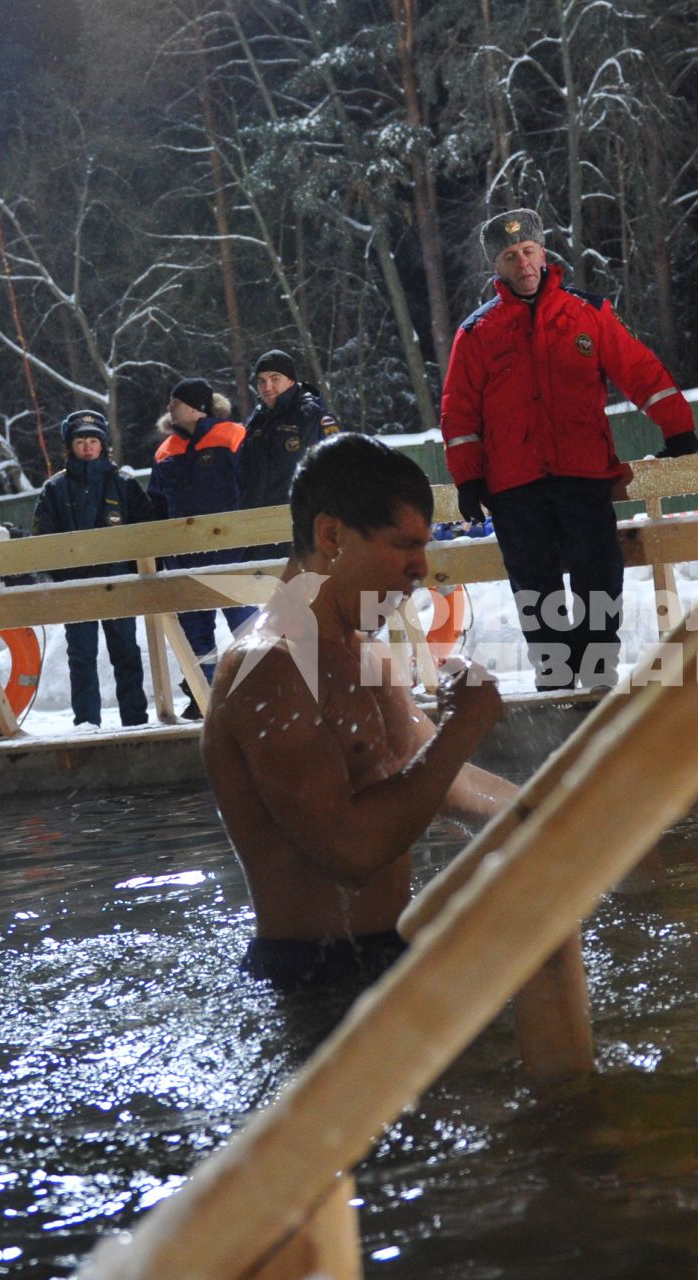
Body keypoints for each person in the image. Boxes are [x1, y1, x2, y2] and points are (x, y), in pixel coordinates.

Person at [203, 434, 515, 991]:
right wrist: (462, 729)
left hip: (384, 952)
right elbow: (352, 851)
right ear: (331, 536)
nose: (422, 567)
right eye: (404, 544)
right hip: (316, 974)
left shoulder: (359, 650)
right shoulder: (268, 667)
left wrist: (553, 814)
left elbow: (444, 783)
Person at [441, 208, 698, 690]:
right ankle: (556, 679)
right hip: (514, 486)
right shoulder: (476, 333)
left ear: (543, 251)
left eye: (529, 251)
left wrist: (677, 427)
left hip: (583, 474)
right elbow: (458, 414)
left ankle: (598, 671)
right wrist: (468, 477)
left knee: (598, 573)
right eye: (510, 256)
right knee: (534, 583)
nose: (523, 263)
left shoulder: (588, 312)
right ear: (496, 267)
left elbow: (639, 371)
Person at [32, 409, 154, 729]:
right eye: (80, 441)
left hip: (120, 581)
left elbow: (147, 530)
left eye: (93, 441)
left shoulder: (124, 484)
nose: (87, 447)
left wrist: (139, 574)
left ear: (103, 445)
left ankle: (136, 720)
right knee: (81, 657)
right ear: (69, 446)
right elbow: (42, 539)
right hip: (76, 586)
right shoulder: (54, 489)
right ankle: (86, 722)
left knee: (126, 652)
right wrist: (55, 578)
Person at [148, 377, 257, 717]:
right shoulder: (166, 450)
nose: (170, 408)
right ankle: (204, 694)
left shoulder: (232, 435)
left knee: (246, 627)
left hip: (231, 552)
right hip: (186, 558)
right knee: (196, 635)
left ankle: (258, 691)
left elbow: (252, 487)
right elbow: (156, 504)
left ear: (195, 407)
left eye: (175, 402)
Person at [238, 349, 347, 561]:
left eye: (274, 379)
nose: (267, 387)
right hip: (258, 532)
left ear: (291, 380)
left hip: (303, 532)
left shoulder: (312, 416)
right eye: (261, 381)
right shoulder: (256, 421)